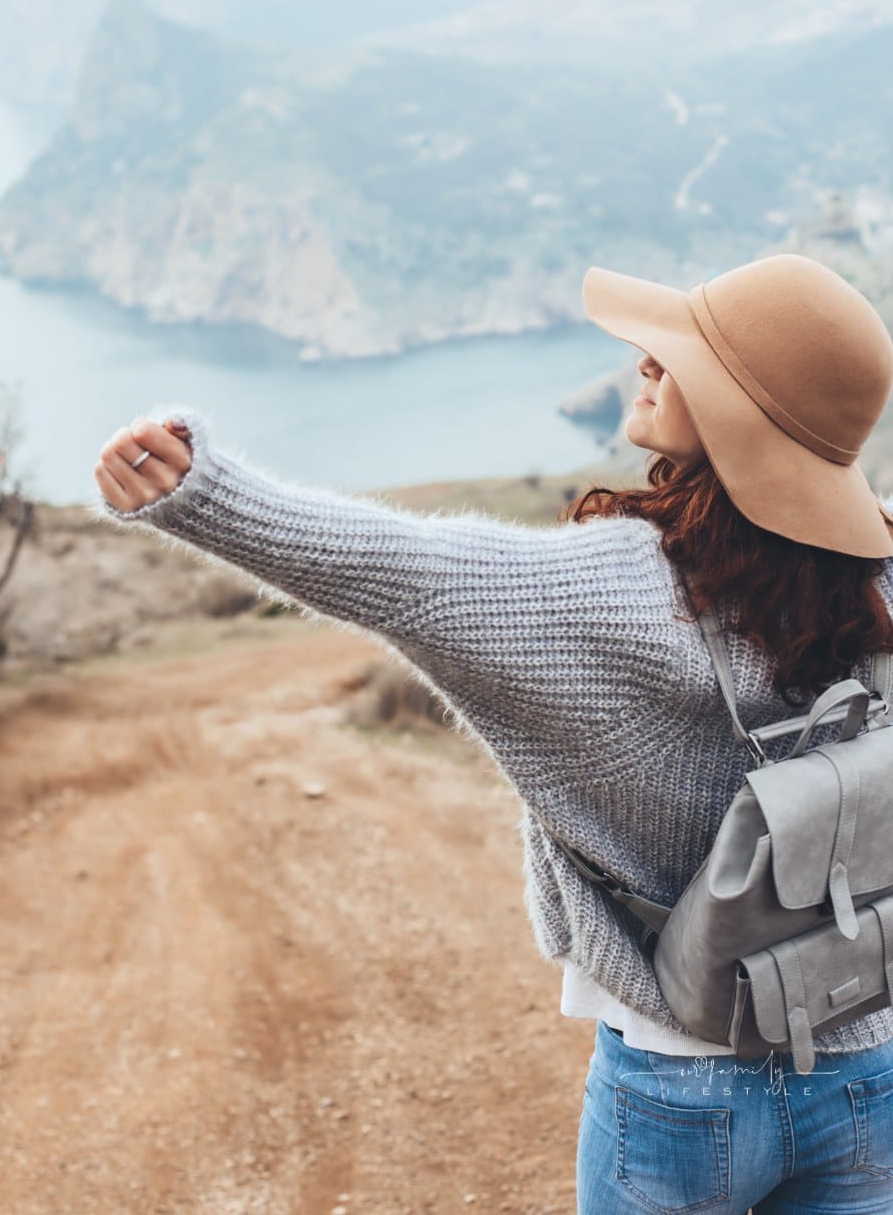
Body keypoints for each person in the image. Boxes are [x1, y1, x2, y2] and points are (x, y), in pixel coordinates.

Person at [91, 252, 893, 1212]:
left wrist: (199, 490)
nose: (645, 360)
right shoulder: (877, 585)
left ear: (740, 417)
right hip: (864, 1067)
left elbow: (401, 571)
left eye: (682, 358)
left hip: (682, 1095)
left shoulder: (616, 590)